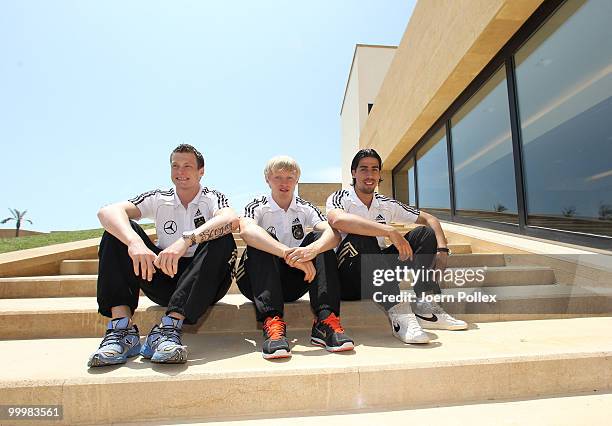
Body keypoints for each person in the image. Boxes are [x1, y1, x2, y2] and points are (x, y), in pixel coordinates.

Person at [88, 144, 238, 367]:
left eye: (188, 166)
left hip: (202, 283)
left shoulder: (212, 197)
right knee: (117, 233)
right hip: (163, 276)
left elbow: (231, 220)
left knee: (222, 237)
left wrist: (186, 240)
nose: (181, 171)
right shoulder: (159, 197)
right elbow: (107, 212)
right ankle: (122, 331)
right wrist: (134, 242)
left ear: (201, 171)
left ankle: (168, 330)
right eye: (175, 166)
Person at [326, 149, 467, 345]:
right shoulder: (341, 197)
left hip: (380, 274)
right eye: (364, 169)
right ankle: (399, 314)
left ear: (379, 174)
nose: (369, 175)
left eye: (374, 169)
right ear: (353, 173)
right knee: (362, 238)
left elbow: (429, 219)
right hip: (350, 278)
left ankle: (425, 306)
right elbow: (337, 219)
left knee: (423, 234)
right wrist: (389, 231)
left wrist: (442, 249)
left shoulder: (385, 203)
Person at [236, 156, 354, 359]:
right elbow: (246, 231)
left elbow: (333, 234)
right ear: (267, 179)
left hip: (295, 281)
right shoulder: (257, 205)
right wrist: (287, 253)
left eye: (290, 177)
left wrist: (313, 250)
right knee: (262, 237)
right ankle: (272, 322)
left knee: (320, 239)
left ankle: (325, 320)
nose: (284, 183)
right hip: (256, 282)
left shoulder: (305, 207)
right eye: (278, 177)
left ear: (297, 180)